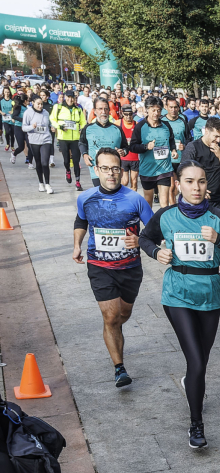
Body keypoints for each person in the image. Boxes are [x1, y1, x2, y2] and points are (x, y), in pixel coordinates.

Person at [139, 161, 220, 448]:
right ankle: (196, 425)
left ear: (208, 185)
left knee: (200, 363)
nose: (196, 187)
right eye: (190, 181)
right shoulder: (166, 216)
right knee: (196, 360)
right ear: (178, 184)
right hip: (177, 294)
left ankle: (191, 381)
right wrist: (157, 252)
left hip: (210, 296)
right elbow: (145, 237)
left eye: (202, 182)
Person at [72, 147, 156, 387]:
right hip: (99, 266)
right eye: (105, 168)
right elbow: (81, 220)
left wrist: (140, 240)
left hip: (130, 268)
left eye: (115, 168)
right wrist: (77, 244)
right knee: (110, 317)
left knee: (122, 315)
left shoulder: (135, 199)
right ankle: (119, 368)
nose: (111, 173)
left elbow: (153, 230)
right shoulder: (85, 198)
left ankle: (113, 331)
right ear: (96, 169)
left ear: (121, 170)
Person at [127, 96, 178, 207]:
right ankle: (150, 224)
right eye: (153, 110)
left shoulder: (166, 125)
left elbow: (171, 140)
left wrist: (173, 150)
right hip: (147, 170)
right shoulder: (140, 126)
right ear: (147, 110)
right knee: (148, 201)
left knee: (164, 203)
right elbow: (133, 147)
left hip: (164, 169)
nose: (156, 113)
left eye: (158, 110)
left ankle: (162, 224)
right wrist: (145, 147)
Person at [179, 117, 220, 205]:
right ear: (206, 131)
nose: (218, 140)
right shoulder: (193, 147)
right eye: (216, 136)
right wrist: (200, 190)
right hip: (197, 199)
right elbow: (182, 173)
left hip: (218, 199)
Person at [79, 98, 129, 188]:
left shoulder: (117, 129)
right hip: (97, 169)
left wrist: (123, 151)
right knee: (101, 194)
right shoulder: (88, 128)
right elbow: (82, 143)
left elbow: (125, 147)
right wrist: (85, 154)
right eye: (100, 109)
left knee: (112, 194)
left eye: (106, 109)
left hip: (113, 170)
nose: (103, 112)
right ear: (94, 111)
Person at [49, 89, 86, 191]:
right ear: (65, 97)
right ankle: (68, 171)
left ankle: (78, 181)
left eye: (72, 98)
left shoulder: (78, 109)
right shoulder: (58, 107)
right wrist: (59, 126)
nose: (70, 99)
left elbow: (83, 121)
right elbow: (52, 119)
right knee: (66, 160)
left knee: (76, 160)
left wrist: (81, 129)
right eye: (68, 97)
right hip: (63, 137)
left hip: (75, 138)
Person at [22, 96, 54, 193]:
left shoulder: (46, 113)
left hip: (46, 139)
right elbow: (24, 127)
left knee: (45, 162)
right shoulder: (28, 113)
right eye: (38, 104)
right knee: (38, 163)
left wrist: (53, 127)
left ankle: (48, 184)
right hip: (34, 140)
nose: (40, 106)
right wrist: (32, 126)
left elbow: (50, 123)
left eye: (41, 104)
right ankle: (41, 183)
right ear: (32, 103)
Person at [162, 97, 189, 200]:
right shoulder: (162, 121)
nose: (173, 110)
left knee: (180, 186)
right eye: (171, 107)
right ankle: (172, 209)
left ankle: (181, 205)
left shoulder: (183, 120)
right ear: (166, 108)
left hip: (181, 158)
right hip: (167, 158)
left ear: (179, 108)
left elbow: (188, 138)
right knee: (172, 186)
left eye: (175, 107)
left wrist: (185, 146)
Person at [118, 105, 140, 188]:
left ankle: (132, 200)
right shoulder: (118, 123)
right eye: (126, 114)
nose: (128, 116)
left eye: (130, 114)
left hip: (135, 157)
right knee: (124, 182)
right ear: (122, 113)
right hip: (123, 157)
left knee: (134, 182)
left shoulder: (137, 124)